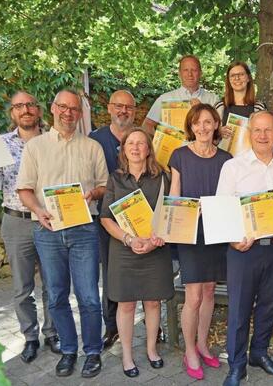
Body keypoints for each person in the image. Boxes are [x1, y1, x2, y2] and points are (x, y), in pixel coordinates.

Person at [17, 89, 108, 378]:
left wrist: (93, 193)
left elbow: (104, 185)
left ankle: (92, 352)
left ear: (80, 114)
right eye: (63, 107)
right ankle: (69, 350)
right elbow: (24, 189)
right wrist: (38, 210)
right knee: (56, 295)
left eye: (74, 109)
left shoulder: (92, 147)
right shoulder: (35, 147)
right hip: (49, 230)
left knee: (89, 296)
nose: (69, 113)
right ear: (53, 109)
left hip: (83, 229)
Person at [0, 91, 61, 363]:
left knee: (53, 283)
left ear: (39, 110)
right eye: (19, 106)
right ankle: (30, 337)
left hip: (49, 221)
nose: (25, 110)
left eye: (30, 104)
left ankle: (52, 332)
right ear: (12, 113)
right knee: (22, 286)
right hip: (16, 221)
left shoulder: (53, 140)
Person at [216, 110, 273, 386]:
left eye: (268, 130)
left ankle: (259, 353)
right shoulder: (233, 167)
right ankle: (237, 365)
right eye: (257, 130)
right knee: (239, 309)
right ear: (250, 133)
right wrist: (232, 239)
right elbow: (222, 210)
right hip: (243, 250)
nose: (263, 136)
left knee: (268, 304)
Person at [100, 128, 175, 378]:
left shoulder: (162, 177)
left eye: (141, 143)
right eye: (130, 143)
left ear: (148, 149)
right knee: (126, 304)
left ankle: (152, 350)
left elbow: (168, 214)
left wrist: (153, 241)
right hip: (124, 250)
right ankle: (127, 357)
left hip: (156, 248)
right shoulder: (115, 179)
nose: (135, 147)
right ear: (123, 149)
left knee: (153, 302)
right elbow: (106, 219)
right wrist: (129, 239)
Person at [168, 104, 232, 380]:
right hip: (190, 233)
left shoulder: (227, 159)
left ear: (216, 124)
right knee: (193, 296)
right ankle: (190, 350)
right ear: (191, 127)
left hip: (216, 232)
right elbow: (174, 197)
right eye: (197, 123)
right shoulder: (179, 156)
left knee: (208, 292)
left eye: (208, 122)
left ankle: (203, 344)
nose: (203, 128)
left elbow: (230, 198)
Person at [89, 89, 137, 350]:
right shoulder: (95, 139)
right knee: (111, 271)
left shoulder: (141, 138)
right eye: (118, 106)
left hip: (138, 216)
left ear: (135, 110)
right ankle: (112, 326)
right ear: (109, 108)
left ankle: (156, 323)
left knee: (145, 269)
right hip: (107, 218)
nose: (123, 111)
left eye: (128, 107)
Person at [142, 55, 219, 133]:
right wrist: (159, 142)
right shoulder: (165, 98)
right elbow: (147, 125)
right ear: (179, 74)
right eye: (186, 70)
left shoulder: (213, 99)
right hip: (173, 145)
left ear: (200, 73)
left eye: (194, 70)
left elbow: (220, 130)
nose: (190, 74)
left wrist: (202, 109)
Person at [214, 61, 266, 136]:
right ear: (228, 80)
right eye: (232, 75)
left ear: (248, 78)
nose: (237, 78)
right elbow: (210, 134)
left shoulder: (259, 107)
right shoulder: (220, 106)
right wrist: (219, 132)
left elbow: (265, 133)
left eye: (241, 74)